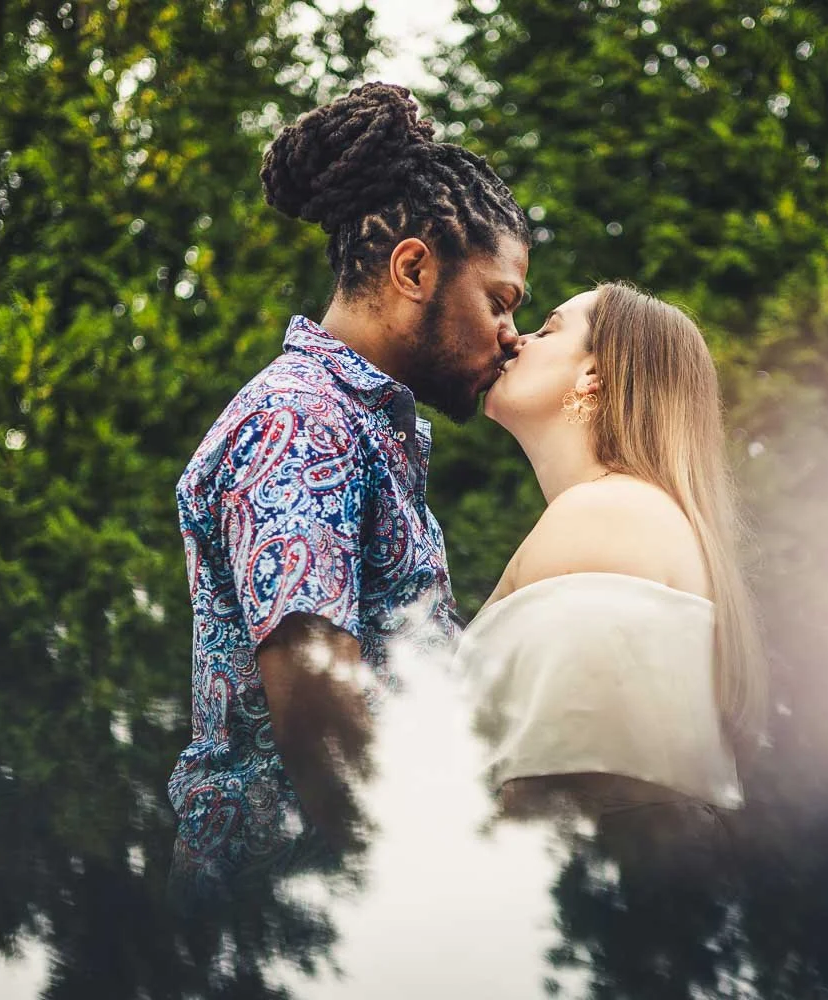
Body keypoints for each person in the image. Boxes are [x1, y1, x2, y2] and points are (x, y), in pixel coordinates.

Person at [168, 82, 529, 880]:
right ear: (412, 268)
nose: (513, 336)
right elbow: (321, 716)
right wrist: (431, 899)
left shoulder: (362, 426)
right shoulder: (300, 422)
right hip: (288, 928)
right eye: (500, 301)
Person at [457, 281, 769, 826]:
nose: (515, 340)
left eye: (548, 329)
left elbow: (566, 803)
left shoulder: (607, 519)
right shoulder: (616, 514)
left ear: (594, 375)